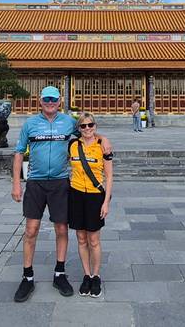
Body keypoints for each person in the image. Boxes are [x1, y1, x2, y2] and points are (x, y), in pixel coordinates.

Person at [11, 86, 75, 302]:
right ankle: (27, 276)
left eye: (54, 99)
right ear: (40, 101)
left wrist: (104, 142)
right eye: (46, 99)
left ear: (60, 101)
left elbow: (87, 134)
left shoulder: (68, 122)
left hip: (60, 182)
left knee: (61, 228)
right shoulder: (30, 124)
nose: (50, 102)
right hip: (36, 183)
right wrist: (16, 184)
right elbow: (19, 152)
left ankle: (59, 273)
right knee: (31, 229)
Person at [68, 112, 113, 298]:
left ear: (95, 126)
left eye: (91, 125)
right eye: (83, 126)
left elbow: (109, 176)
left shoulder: (102, 146)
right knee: (80, 238)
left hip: (95, 196)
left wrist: (106, 202)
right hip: (76, 194)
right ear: (78, 129)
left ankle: (96, 276)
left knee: (93, 239)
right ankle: (86, 274)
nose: (87, 129)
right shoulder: (72, 145)